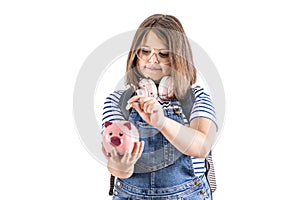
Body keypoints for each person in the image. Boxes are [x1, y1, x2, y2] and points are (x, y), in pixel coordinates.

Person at [101, 14, 218, 200]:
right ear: (135, 55)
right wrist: (121, 163)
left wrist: (162, 122)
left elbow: (201, 146)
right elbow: (118, 169)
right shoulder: (118, 102)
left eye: (163, 54)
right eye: (145, 51)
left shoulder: (196, 99)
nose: (152, 60)